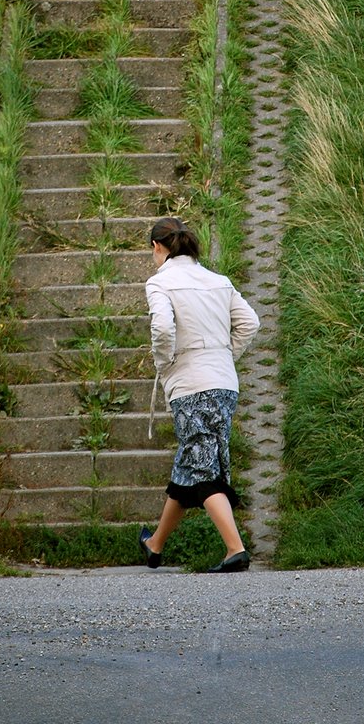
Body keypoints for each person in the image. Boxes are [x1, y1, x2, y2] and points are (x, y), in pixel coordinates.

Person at [139, 216, 260, 573]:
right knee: (193, 461)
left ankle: (235, 549)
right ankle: (155, 545)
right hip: (225, 382)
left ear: (158, 247)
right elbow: (250, 323)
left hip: (191, 385)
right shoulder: (219, 281)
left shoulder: (160, 283)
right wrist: (225, 355)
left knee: (203, 467)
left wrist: (165, 363)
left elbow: (162, 327)